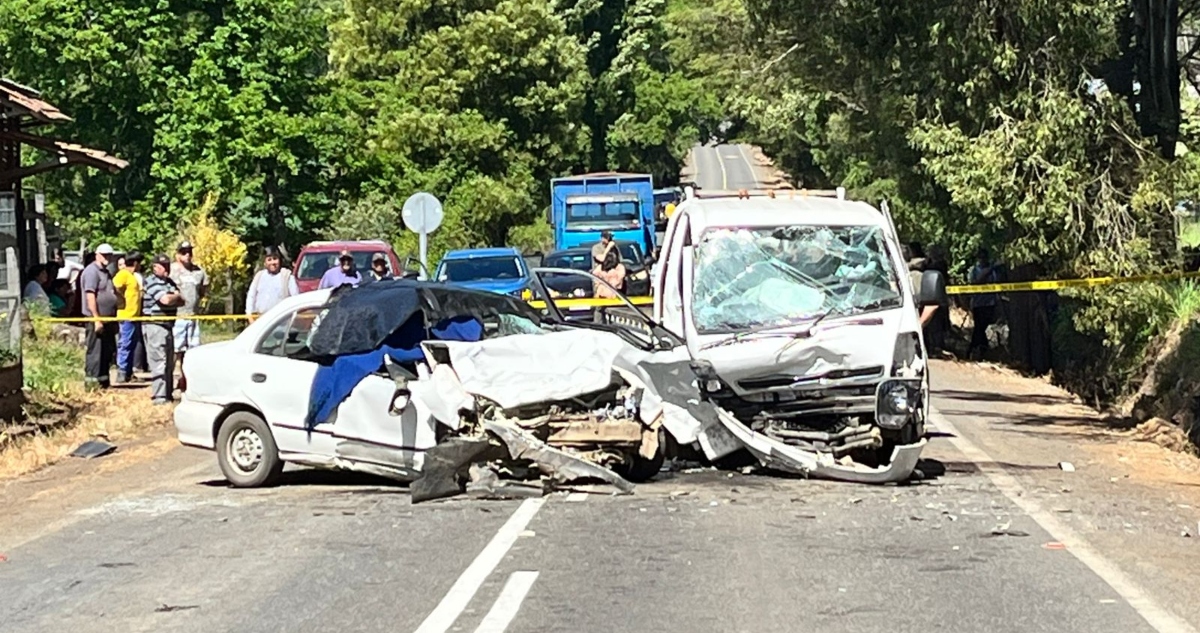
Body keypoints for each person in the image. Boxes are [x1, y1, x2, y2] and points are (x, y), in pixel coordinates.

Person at [142, 254, 184, 405]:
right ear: (155, 267)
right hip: (154, 325)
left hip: (168, 325)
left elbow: (183, 300)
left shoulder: (169, 282)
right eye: (163, 266)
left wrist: (174, 297)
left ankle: (168, 395)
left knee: (169, 364)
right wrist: (174, 297)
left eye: (167, 266)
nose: (166, 269)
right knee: (159, 362)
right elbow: (165, 300)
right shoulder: (150, 281)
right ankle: (159, 398)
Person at [170, 241, 209, 392]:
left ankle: (188, 381)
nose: (187, 255)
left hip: (193, 316)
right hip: (177, 316)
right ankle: (170, 381)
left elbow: (204, 289)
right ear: (177, 254)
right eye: (184, 251)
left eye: (189, 252)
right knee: (175, 350)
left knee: (192, 350)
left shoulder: (198, 271)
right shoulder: (172, 270)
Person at [81, 243, 119, 390]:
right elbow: (90, 296)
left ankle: (103, 383)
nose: (107, 258)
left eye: (109, 255)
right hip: (96, 320)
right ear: (97, 254)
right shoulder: (91, 272)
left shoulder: (106, 272)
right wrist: (97, 319)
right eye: (104, 255)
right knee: (95, 352)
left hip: (108, 319)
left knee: (106, 352)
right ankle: (92, 384)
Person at [113, 251, 144, 383]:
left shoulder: (132, 276)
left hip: (134, 316)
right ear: (135, 263)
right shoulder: (123, 274)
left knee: (131, 344)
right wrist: (121, 298)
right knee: (125, 344)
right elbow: (115, 286)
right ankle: (122, 371)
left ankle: (128, 373)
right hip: (126, 315)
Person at [246, 247, 299, 319]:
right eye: (269, 260)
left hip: (281, 320)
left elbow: (295, 299)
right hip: (260, 319)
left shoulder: (287, 276)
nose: (272, 262)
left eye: (275, 259)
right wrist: (249, 317)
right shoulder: (259, 276)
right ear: (265, 262)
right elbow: (251, 297)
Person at [969, 247, 1000, 359]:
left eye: (984, 257)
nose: (982, 260)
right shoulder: (975, 270)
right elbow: (977, 281)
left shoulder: (994, 271)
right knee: (979, 327)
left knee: (982, 327)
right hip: (978, 303)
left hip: (990, 303)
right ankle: (977, 348)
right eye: (981, 257)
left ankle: (978, 347)